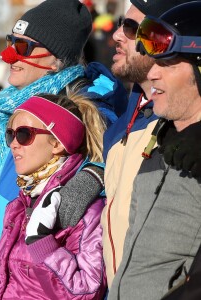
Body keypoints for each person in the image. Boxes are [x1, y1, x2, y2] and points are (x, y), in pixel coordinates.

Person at [0, 0, 128, 297]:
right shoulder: (11, 110)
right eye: (11, 42)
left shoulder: (79, 109)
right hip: (1, 264)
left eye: (23, 47)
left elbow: (117, 156)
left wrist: (94, 175)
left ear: (56, 59)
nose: (8, 56)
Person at [100, 0, 198, 288]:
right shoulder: (125, 123)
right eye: (121, 24)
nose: (118, 35)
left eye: (132, 28)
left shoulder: (179, 132)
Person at [0, 93, 107, 299]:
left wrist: (42, 243)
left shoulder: (85, 208)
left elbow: (86, 292)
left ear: (57, 143)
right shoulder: (18, 205)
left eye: (24, 134)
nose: (13, 144)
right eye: (10, 135)